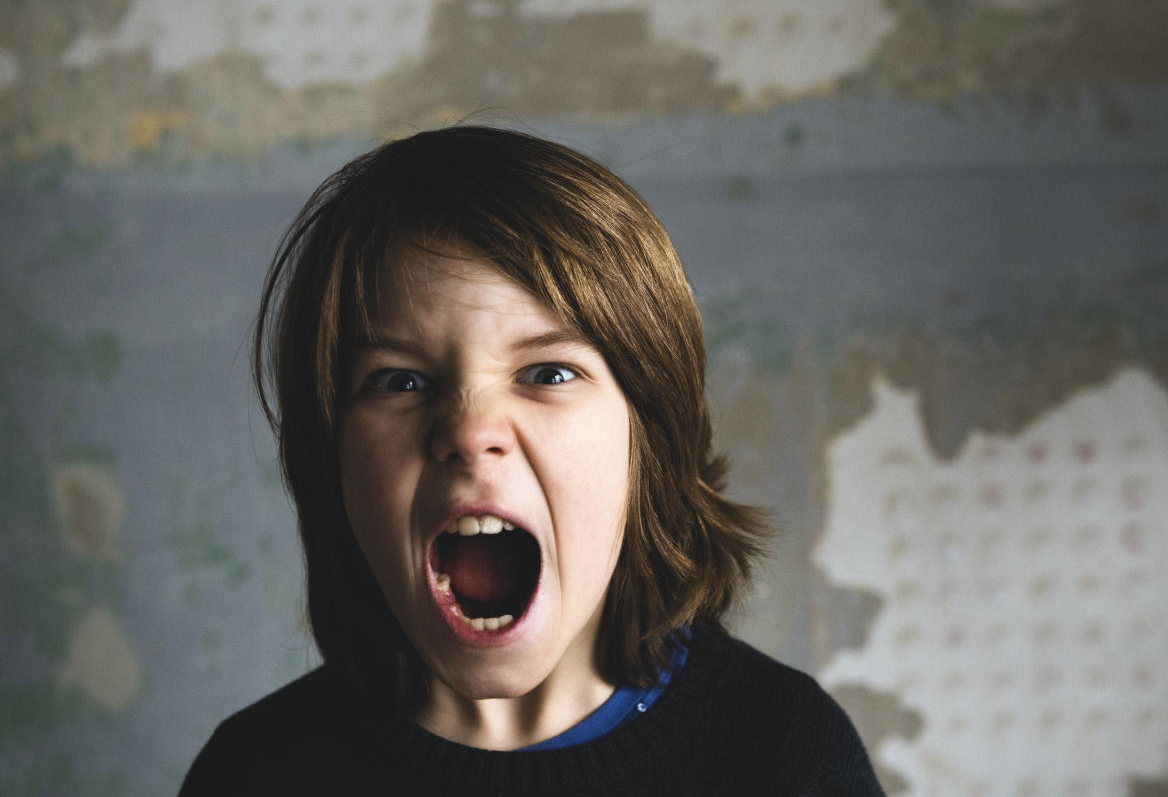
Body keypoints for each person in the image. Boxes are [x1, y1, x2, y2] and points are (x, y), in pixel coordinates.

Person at [180, 126, 883, 795]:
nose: (471, 429)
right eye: (400, 381)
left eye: (548, 373)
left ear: (651, 440)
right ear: (331, 461)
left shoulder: (784, 757)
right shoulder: (255, 774)